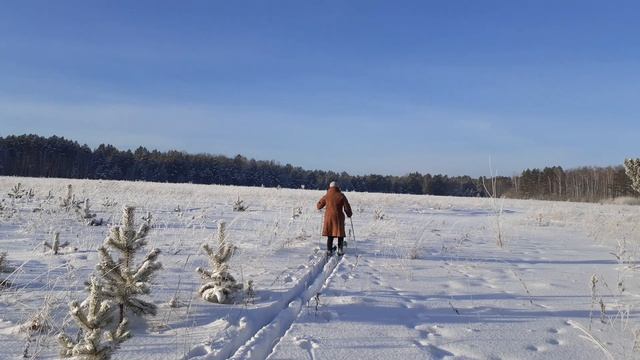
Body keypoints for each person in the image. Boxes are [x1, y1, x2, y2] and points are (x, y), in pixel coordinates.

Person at [317, 181, 352, 256]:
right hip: (339, 217)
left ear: (330, 187)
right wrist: (349, 214)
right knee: (340, 233)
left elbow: (319, 206)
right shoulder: (341, 195)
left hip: (328, 218)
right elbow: (347, 207)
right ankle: (340, 250)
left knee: (330, 233)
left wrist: (320, 203)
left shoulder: (326, 195)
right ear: (337, 187)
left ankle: (329, 250)